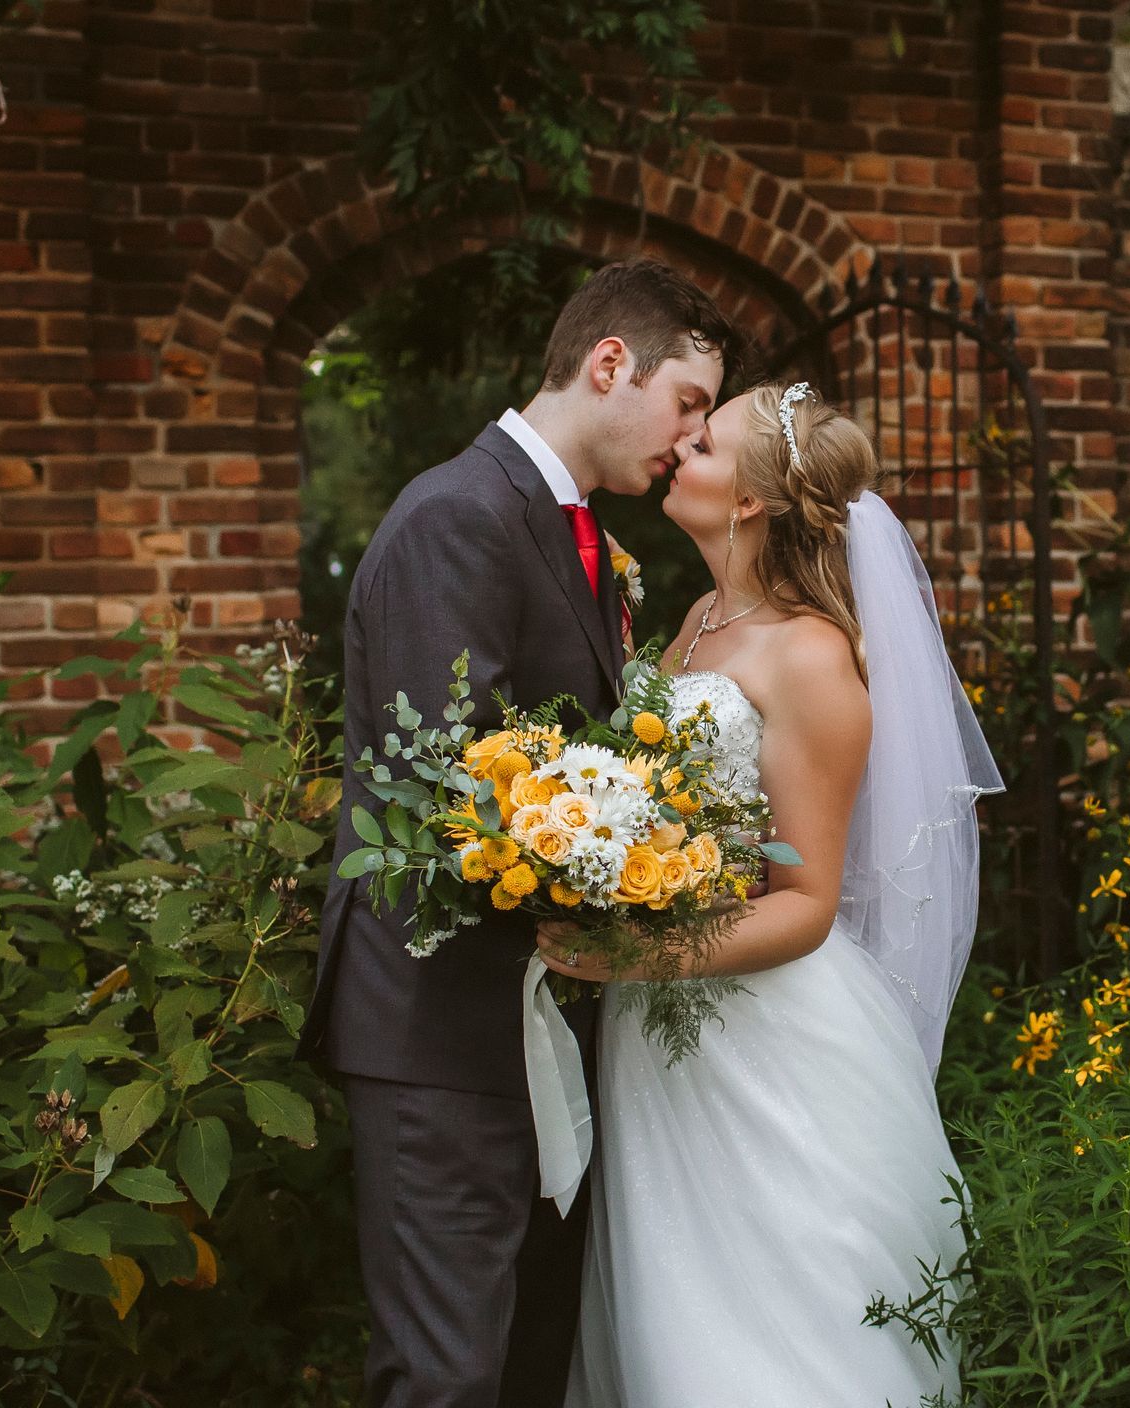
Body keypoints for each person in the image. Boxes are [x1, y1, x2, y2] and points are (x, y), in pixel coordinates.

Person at [297, 259, 739, 1408]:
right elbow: (440, 785)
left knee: (527, 1364)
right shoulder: (460, 516)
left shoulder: (573, 530)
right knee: (447, 1375)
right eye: (686, 402)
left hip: (536, 1027)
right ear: (609, 364)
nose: (689, 442)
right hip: (440, 1027)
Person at [536, 382, 1004, 1406]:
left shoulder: (811, 655)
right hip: (662, 1034)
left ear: (749, 499)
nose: (679, 446)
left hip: (765, 1040)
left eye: (703, 441)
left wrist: (633, 954)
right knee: (664, 1307)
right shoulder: (701, 617)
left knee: (766, 1331)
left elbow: (806, 901)